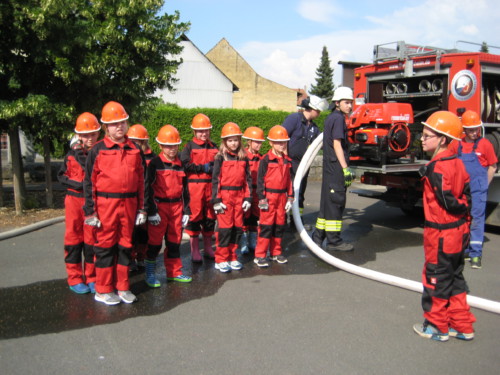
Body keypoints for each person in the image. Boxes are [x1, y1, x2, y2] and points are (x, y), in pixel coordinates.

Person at [413, 110, 476, 342]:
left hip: (441, 234)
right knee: (455, 278)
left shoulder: (437, 167)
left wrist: (428, 175)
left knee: (435, 279)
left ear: (442, 139)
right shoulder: (458, 163)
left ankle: (436, 326)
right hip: (458, 232)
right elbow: (468, 198)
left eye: (427, 135)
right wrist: (464, 220)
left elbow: (449, 201)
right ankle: (462, 326)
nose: (422, 139)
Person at [83, 101, 146, 305]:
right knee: (105, 248)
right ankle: (102, 290)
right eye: (114, 123)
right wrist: (91, 212)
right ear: (106, 127)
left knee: (126, 247)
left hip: (128, 206)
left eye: (122, 122)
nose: (119, 126)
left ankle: (123, 287)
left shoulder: (135, 149)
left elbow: (142, 182)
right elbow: (89, 183)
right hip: (105, 206)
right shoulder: (97, 150)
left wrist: (142, 209)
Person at [449, 110, 498, 269]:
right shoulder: (456, 144)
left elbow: (492, 166)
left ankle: (475, 254)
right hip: (460, 189)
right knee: (461, 220)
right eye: (471, 130)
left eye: (476, 129)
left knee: (476, 219)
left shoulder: (485, 144)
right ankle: (463, 249)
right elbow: (448, 163)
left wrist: (485, 184)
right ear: (464, 129)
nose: (474, 133)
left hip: (478, 189)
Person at [58, 112, 100, 294]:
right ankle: (74, 278)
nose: (89, 138)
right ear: (78, 135)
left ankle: (92, 277)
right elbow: (61, 176)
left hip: (93, 201)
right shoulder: (71, 155)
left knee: (92, 240)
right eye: (85, 135)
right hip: (74, 201)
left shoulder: (101, 152)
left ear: (98, 133)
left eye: (92, 134)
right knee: (74, 240)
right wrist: (80, 185)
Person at [144, 125, 192, 286]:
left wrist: (187, 211)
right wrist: (151, 211)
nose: (172, 149)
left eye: (174, 145)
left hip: (177, 208)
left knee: (174, 242)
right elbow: (148, 189)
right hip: (159, 208)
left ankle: (174, 272)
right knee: (154, 243)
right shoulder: (154, 164)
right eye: (168, 145)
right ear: (160, 146)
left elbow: (185, 190)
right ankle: (150, 274)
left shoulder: (181, 164)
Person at [312, 87, 355, 252]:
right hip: (336, 167)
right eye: (346, 102)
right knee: (336, 203)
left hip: (330, 167)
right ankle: (334, 241)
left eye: (350, 103)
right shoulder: (338, 119)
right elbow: (337, 144)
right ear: (337, 103)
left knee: (327, 203)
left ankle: (318, 237)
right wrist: (345, 168)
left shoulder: (331, 117)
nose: (349, 106)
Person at [282, 95, 329, 230]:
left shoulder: (313, 127)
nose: (319, 114)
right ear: (311, 108)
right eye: (318, 111)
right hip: (290, 163)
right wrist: (284, 160)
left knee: (300, 193)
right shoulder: (294, 119)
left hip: (304, 165)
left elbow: (320, 143)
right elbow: (282, 137)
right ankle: (282, 220)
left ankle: (297, 221)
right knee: (287, 192)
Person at [211, 122, 252, 272]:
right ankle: (221, 258)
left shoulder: (243, 157)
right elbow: (215, 180)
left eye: (235, 140)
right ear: (224, 141)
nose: (233, 143)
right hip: (225, 198)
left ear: (239, 141)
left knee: (237, 229)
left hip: (239, 197)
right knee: (224, 230)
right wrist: (216, 201)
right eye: (230, 140)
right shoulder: (220, 157)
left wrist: (248, 198)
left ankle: (232, 256)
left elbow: (248, 180)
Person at [253, 125, 294, 267]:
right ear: (271, 143)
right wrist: (262, 199)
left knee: (279, 226)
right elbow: (260, 181)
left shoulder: (288, 161)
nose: (281, 145)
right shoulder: (265, 160)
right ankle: (260, 255)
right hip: (269, 198)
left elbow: (289, 180)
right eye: (278, 142)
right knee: (265, 227)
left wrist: (290, 197)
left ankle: (276, 252)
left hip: (282, 198)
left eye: (283, 142)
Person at [180, 114, 218, 263]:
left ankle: (208, 247)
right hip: (195, 188)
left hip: (210, 186)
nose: (204, 134)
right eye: (200, 131)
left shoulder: (214, 146)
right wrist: (203, 167)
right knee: (194, 217)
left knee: (210, 217)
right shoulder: (189, 146)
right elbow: (184, 164)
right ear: (194, 132)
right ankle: (195, 249)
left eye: (206, 131)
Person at [127, 124, 156, 272]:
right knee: (132, 232)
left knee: (144, 233)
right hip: (133, 199)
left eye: (139, 141)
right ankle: (131, 258)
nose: (135, 143)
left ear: (144, 142)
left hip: (147, 199)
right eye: (133, 140)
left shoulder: (152, 157)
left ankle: (141, 257)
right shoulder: (128, 154)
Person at [239, 126, 265, 254]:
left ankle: (252, 241)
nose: (259, 144)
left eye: (260, 142)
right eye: (256, 142)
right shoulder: (242, 156)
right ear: (249, 142)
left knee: (255, 216)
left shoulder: (262, 159)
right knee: (244, 216)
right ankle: (243, 242)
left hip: (257, 192)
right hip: (245, 192)